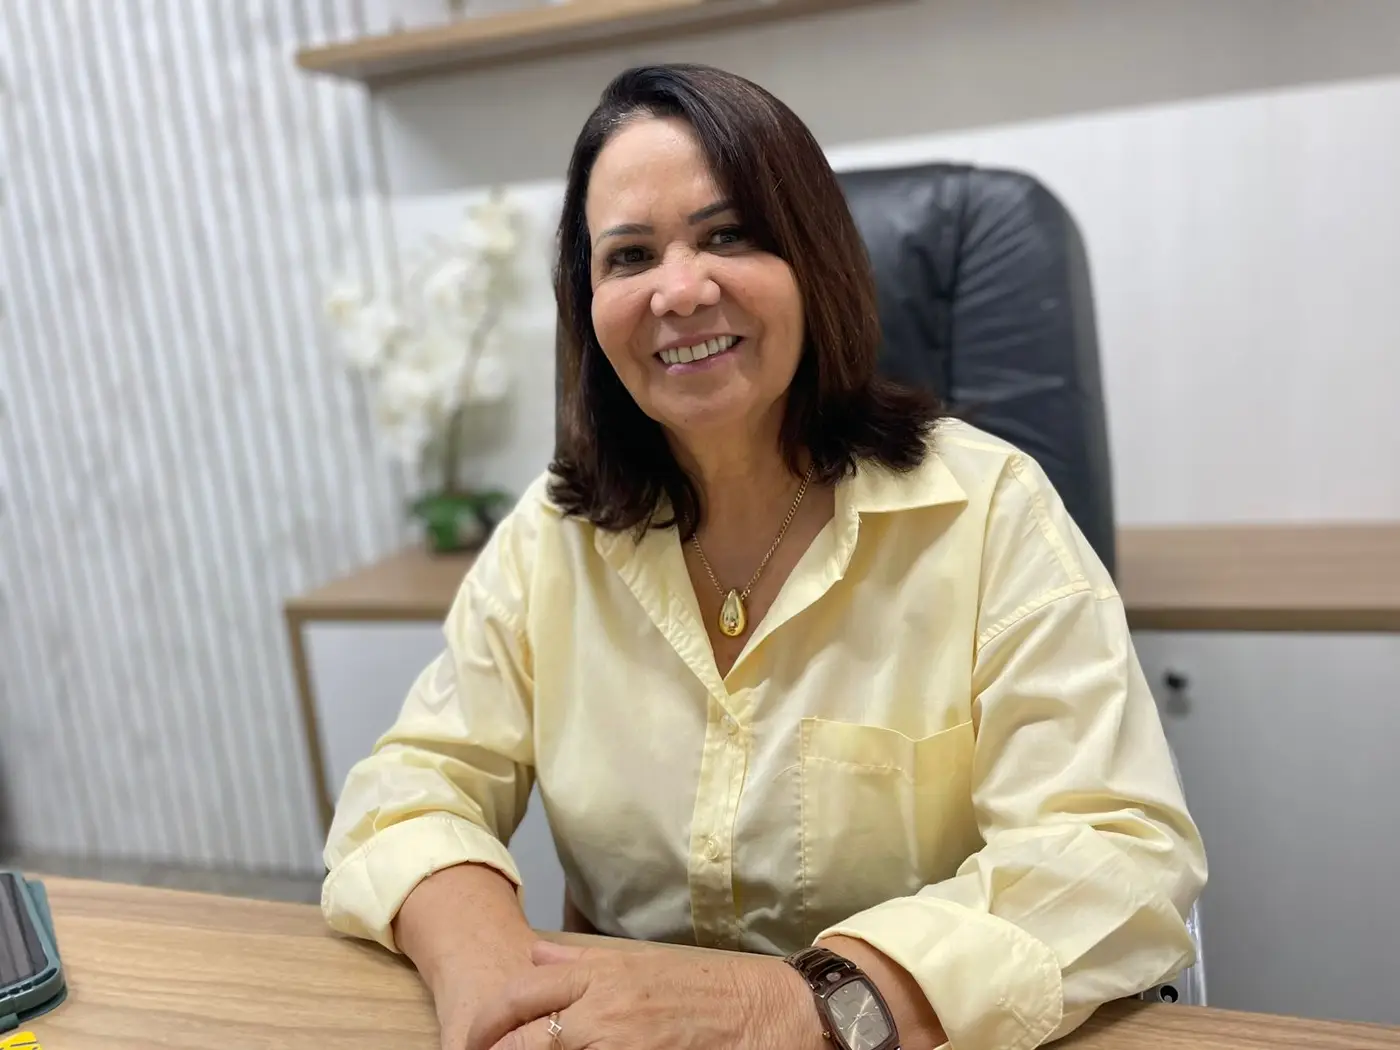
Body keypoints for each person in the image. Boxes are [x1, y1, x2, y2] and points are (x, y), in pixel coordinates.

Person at [322, 63, 1207, 1050]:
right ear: (589, 303)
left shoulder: (989, 510)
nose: (679, 291)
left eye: (728, 235)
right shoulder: (553, 534)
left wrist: (792, 1003)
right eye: (629, 256)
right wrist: (488, 979)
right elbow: (414, 783)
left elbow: (1114, 857)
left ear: (813, 260)